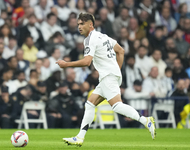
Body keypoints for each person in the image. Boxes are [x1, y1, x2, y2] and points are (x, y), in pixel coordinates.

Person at [56, 13, 156, 146]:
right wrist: (117, 70)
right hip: (109, 75)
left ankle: (145, 120)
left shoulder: (90, 39)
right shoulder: (103, 36)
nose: (79, 26)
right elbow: (120, 51)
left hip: (108, 76)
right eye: (78, 24)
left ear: (90, 24)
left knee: (116, 106)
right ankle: (80, 137)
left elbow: (87, 62)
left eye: (82, 24)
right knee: (90, 104)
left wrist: (66, 64)